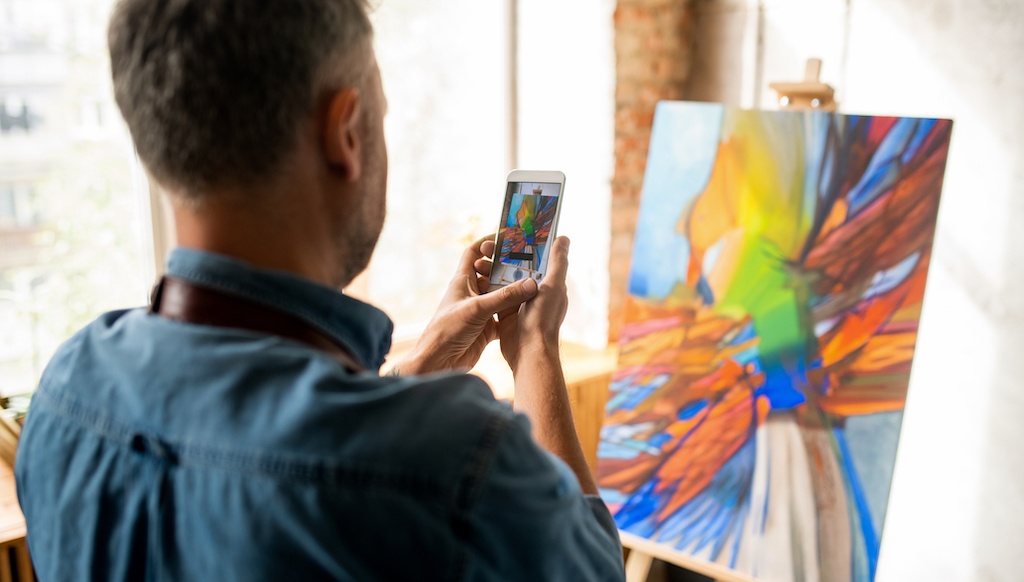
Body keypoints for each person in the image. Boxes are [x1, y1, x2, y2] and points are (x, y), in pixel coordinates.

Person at [14, 1, 625, 580]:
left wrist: (414, 370)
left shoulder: (66, 393)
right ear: (346, 133)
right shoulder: (458, 463)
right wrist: (537, 352)